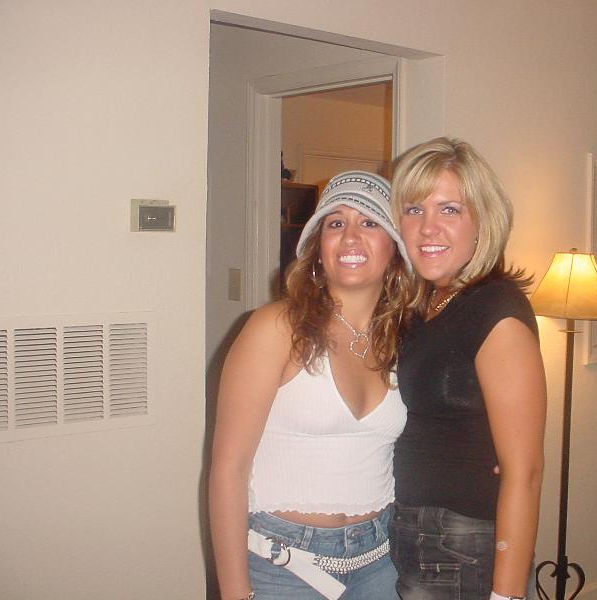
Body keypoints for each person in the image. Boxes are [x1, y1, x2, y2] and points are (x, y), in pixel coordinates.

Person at [209, 171, 411, 600]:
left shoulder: (404, 337)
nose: (351, 236)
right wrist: (234, 592)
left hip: (382, 559)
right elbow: (228, 470)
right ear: (318, 248)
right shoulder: (276, 328)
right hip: (283, 566)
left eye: (369, 222)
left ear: (394, 248)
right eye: (336, 223)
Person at [389, 138, 547, 600]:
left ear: (482, 221)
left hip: (463, 546)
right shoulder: (421, 305)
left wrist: (506, 594)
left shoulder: (495, 310)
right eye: (414, 210)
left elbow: (525, 471)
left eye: (450, 210)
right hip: (409, 531)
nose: (428, 227)